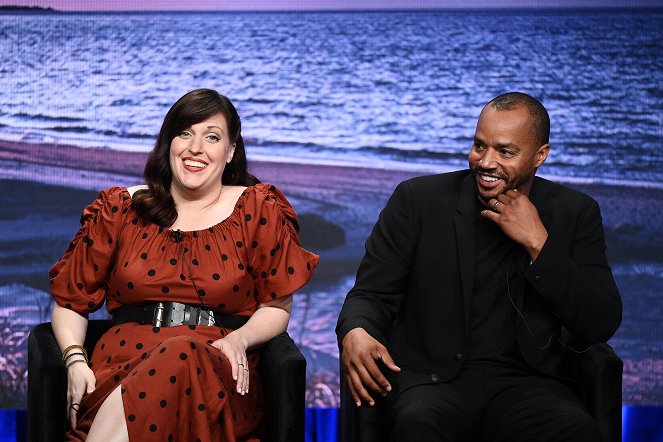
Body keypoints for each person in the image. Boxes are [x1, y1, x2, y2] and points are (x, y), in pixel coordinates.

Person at [336, 92, 622, 441]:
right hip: (434, 381)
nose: (485, 162)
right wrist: (356, 330)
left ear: (539, 156)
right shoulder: (417, 200)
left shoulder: (575, 213)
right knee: (416, 427)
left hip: (528, 385)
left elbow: (600, 321)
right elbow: (370, 294)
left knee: (576, 431)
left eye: (505, 151)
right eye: (479, 146)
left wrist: (538, 244)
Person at [49, 88, 319, 441]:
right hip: (121, 365)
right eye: (185, 133)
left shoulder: (257, 208)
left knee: (180, 350)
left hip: (216, 370)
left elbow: (277, 306)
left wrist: (241, 339)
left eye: (212, 137)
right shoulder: (120, 208)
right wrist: (74, 360)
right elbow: (71, 300)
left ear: (231, 151)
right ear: (169, 143)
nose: (196, 148)